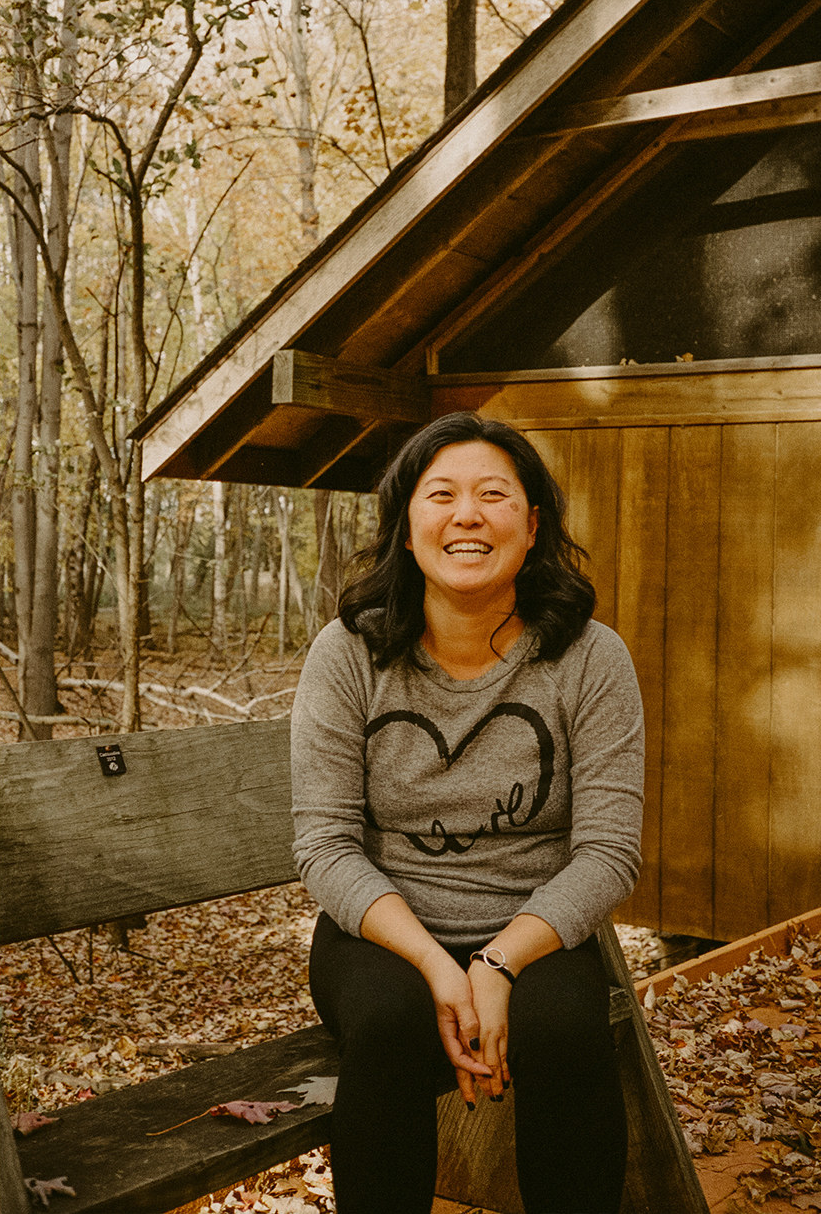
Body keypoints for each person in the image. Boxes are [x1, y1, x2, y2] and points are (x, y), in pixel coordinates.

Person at [292, 412, 641, 1213]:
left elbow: (609, 849)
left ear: (532, 525)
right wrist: (435, 963)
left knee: (563, 1030)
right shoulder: (348, 655)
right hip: (383, 932)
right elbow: (325, 842)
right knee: (387, 1024)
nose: (468, 514)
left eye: (494, 494)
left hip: (534, 927)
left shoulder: (590, 657)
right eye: (440, 494)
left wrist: (498, 960)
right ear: (406, 529)